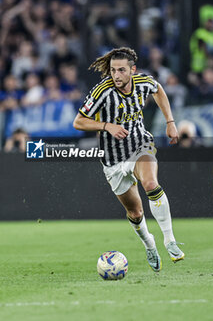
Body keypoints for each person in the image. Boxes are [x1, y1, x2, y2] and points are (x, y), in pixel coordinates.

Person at [73, 47, 184, 272]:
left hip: (139, 145)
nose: (116, 75)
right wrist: (106, 126)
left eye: (122, 70)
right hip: (112, 159)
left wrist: (170, 121)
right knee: (135, 212)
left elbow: (159, 89)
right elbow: (78, 121)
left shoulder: (144, 82)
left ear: (132, 70)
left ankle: (170, 240)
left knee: (151, 184)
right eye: (113, 70)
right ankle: (149, 244)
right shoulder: (102, 91)